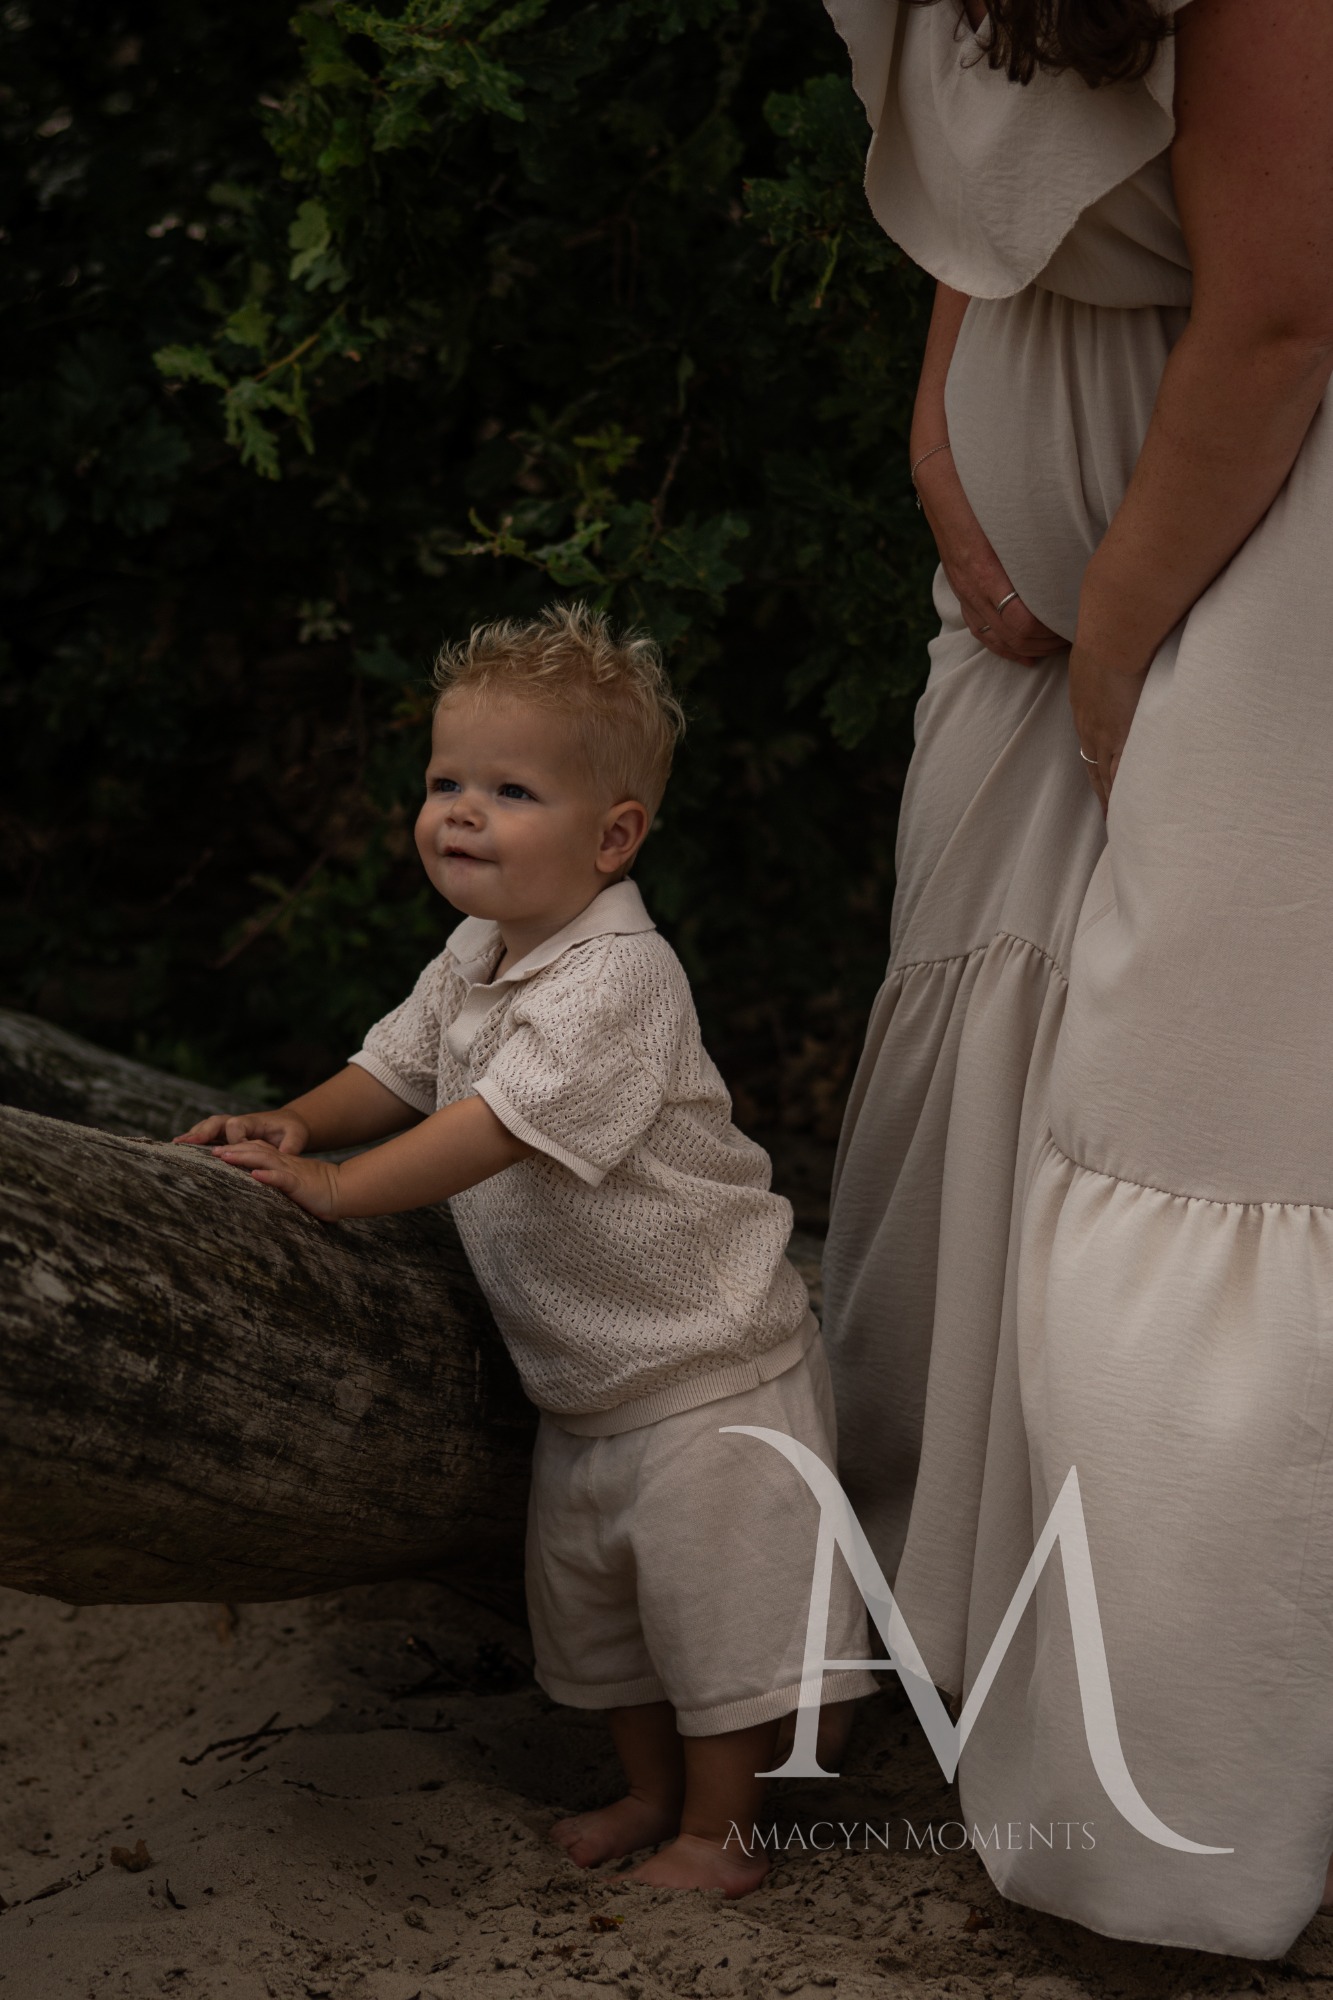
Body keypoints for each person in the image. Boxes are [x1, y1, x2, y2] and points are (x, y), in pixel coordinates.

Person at [819, 0, 1333, 1960]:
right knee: (983, 1063)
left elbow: (1280, 305)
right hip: (1062, 572)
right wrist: (944, 422)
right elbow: (1007, 189)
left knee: (1207, 1142)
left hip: (1262, 530)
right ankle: (962, 1649)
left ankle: (1190, 1818)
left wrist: (1122, 633)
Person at [174, 604, 876, 1898]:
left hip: (707, 1367)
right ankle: (648, 1794)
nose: (461, 812)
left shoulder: (620, 979)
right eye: (446, 780)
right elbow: (394, 1067)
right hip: (588, 1378)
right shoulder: (476, 955)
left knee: (716, 1622)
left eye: (510, 791)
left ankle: (722, 1832)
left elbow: (492, 1127)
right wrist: (302, 1121)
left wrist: (339, 1188)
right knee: (603, 1617)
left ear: (612, 836)